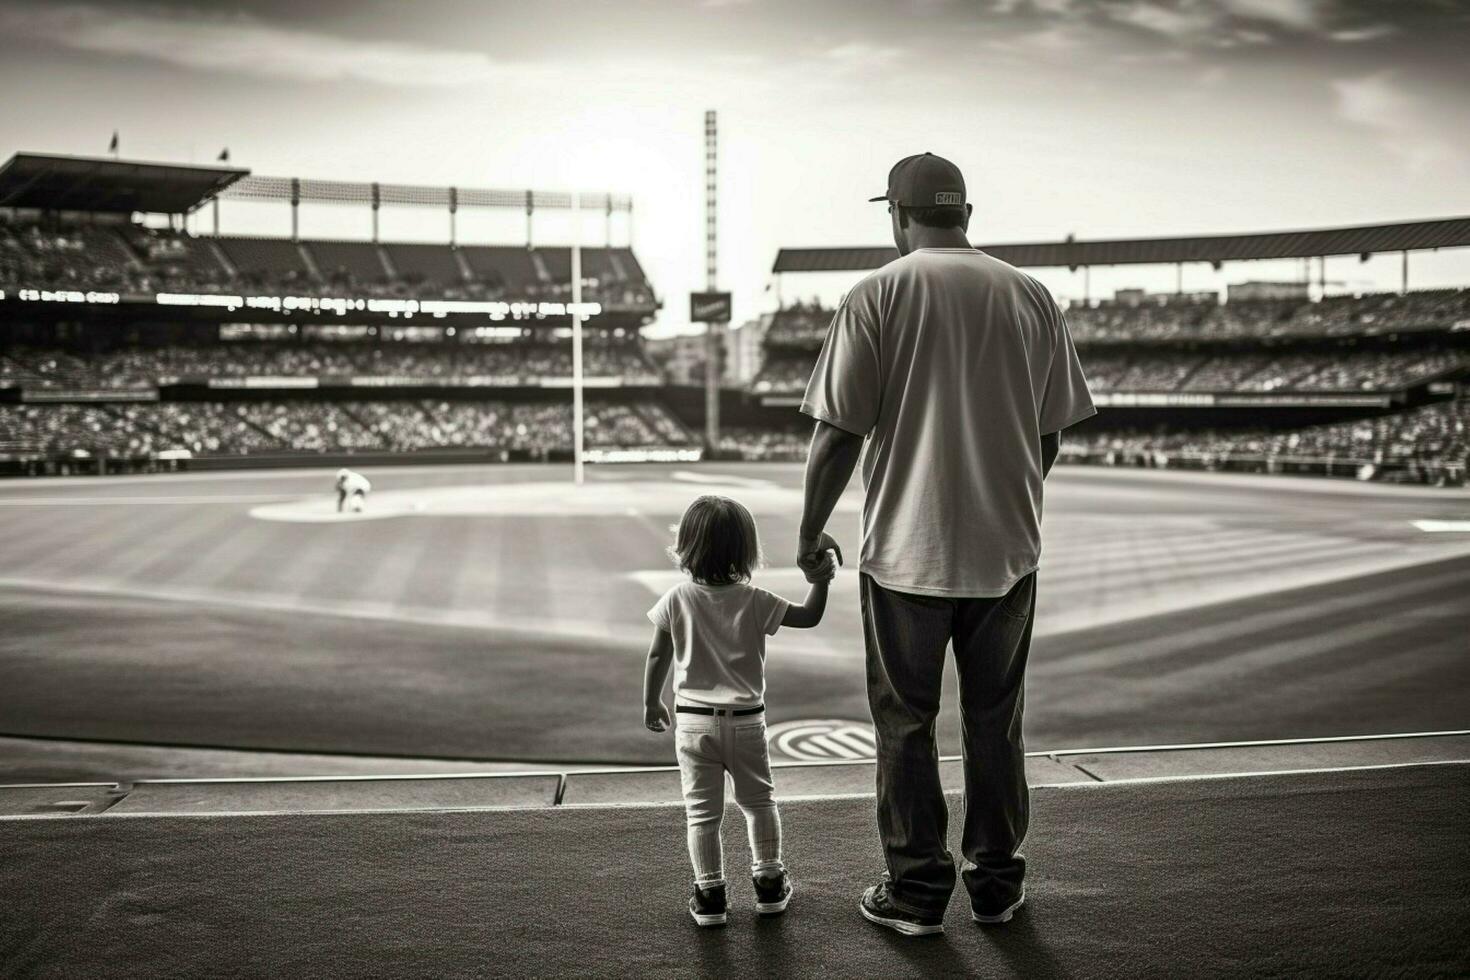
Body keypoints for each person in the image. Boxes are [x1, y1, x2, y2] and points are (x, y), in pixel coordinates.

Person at [795, 152, 1096, 936]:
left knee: (906, 723)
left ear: (896, 216)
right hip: (1006, 554)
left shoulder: (878, 293)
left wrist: (807, 531)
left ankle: (918, 894)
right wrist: (1007, 496)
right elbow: (1049, 433)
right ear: (966, 212)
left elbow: (837, 436)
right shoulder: (1031, 294)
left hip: (905, 553)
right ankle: (997, 888)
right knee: (996, 722)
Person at [642, 494, 838, 928]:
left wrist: (652, 700)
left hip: (693, 722)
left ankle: (710, 893)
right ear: (745, 549)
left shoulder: (676, 599)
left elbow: (658, 656)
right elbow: (808, 616)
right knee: (758, 802)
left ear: (688, 545)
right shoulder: (754, 599)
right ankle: (769, 882)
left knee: (702, 814)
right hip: (747, 721)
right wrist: (822, 578)